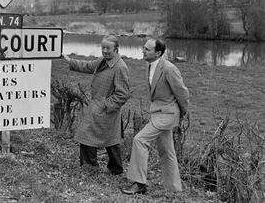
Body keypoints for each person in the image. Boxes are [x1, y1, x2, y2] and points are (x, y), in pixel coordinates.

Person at [121, 38, 189, 195]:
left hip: (168, 114)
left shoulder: (169, 69)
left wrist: (182, 113)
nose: (143, 51)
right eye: (143, 48)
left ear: (158, 53)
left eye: (147, 49)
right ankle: (174, 189)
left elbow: (182, 92)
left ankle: (139, 184)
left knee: (140, 140)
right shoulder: (149, 65)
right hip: (158, 112)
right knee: (167, 150)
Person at [62, 34, 130, 175]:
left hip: (106, 110)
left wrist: (105, 105)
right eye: (103, 47)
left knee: (106, 138)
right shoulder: (102, 60)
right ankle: (101, 168)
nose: (105, 51)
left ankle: (101, 168)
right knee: (106, 138)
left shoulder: (120, 67)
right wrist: (69, 60)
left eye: (108, 48)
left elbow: (123, 94)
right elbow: (87, 66)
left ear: (116, 49)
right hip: (97, 108)